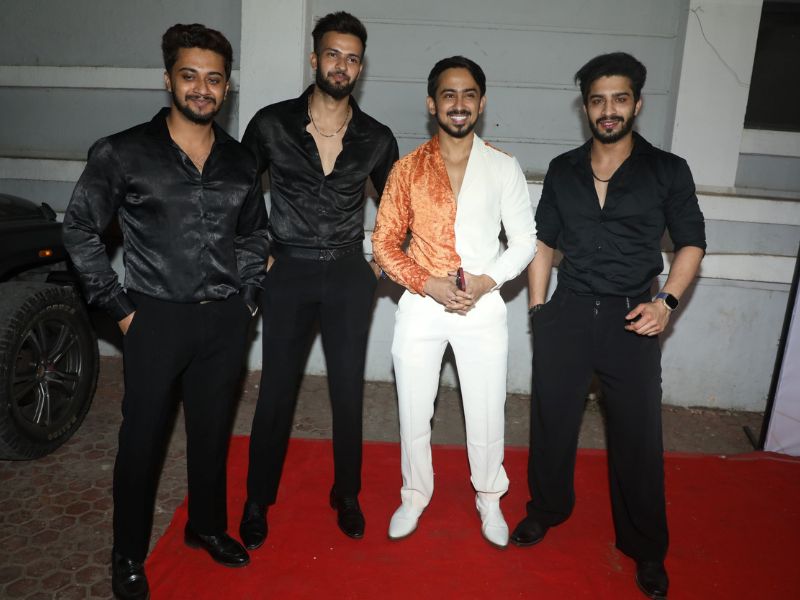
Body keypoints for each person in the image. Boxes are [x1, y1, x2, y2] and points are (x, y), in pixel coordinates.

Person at [63, 24, 269, 600]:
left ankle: (206, 526)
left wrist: (248, 299)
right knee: (142, 442)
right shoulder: (123, 151)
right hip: (153, 318)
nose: (202, 89)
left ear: (226, 87)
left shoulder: (240, 160)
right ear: (168, 79)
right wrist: (120, 308)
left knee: (211, 432)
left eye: (214, 79)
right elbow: (79, 228)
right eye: (189, 76)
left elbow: (255, 234)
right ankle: (128, 554)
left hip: (224, 319)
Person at [510, 52, 706, 599]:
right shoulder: (563, 169)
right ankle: (547, 508)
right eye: (598, 100)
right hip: (568, 311)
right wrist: (538, 310)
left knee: (638, 436)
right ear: (586, 108)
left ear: (637, 104)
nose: (608, 109)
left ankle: (645, 547)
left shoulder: (668, 170)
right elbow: (543, 240)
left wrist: (666, 303)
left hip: (633, 317)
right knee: (551, 421)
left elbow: (692, 242)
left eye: (620, 99)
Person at [239, 11, 399, 548]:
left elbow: (400, 210)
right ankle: (257, 500)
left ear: (361, 68)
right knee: (276, 391)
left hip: (349, 273)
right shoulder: (270, 124)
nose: (342, 66)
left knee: (348, 390)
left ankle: (347, 494)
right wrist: (260, 257)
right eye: (333, 54)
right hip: (287, 271)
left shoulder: (376, 137)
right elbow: (236, 194)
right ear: (315, 59)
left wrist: (377, 266)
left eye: (352, 58)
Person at [372, 56, 536, 548]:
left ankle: (489, 496)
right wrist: (427, 283)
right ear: (432, 104)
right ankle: (414, 494)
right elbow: (384, 243)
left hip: (482, 306)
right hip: (421, 305)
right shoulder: (406, 169)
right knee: (413, 407)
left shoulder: (503, 166)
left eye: (468, 95)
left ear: (481, 104)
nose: (458, 103)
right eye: (449, 94)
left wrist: (487, 282)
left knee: (486, 409)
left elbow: (525, 242)